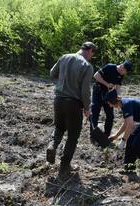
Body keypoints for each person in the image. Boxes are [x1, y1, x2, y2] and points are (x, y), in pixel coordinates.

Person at [47, 42, 95, 179]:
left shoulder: (64, 57)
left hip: (58, 100)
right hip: (73, 104)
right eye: (92, 54)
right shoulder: (87, 66)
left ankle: (52, 145)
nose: (91, 56)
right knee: (73, 136)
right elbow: (85, 90)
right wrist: (87, 108)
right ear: (90, 51)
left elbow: (52, 73)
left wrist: (62, 82)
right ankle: (64, 168)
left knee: (59, 127)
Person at [106, 89, 140, 178]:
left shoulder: (126, 104)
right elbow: (126, 123)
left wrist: (123, 140)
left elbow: (130, 125)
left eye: (109, 103)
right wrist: (116, 136)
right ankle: (129, 168)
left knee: (137, 143)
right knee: (131, 139)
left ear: (113, 101)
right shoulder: (124, 104)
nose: (109, 105)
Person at [91, 60, 133, 139]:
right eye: (125, 71)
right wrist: (106, 84)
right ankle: (93, 135)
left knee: (110, 115)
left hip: (109, 94)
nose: (125, 74)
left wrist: (118, 96)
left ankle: (106, 135)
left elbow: (118, 86)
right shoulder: (110, 67)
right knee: (95, 112)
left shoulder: (121, 75)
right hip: (98, 91)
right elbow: (96, 75)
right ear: (122, 67)